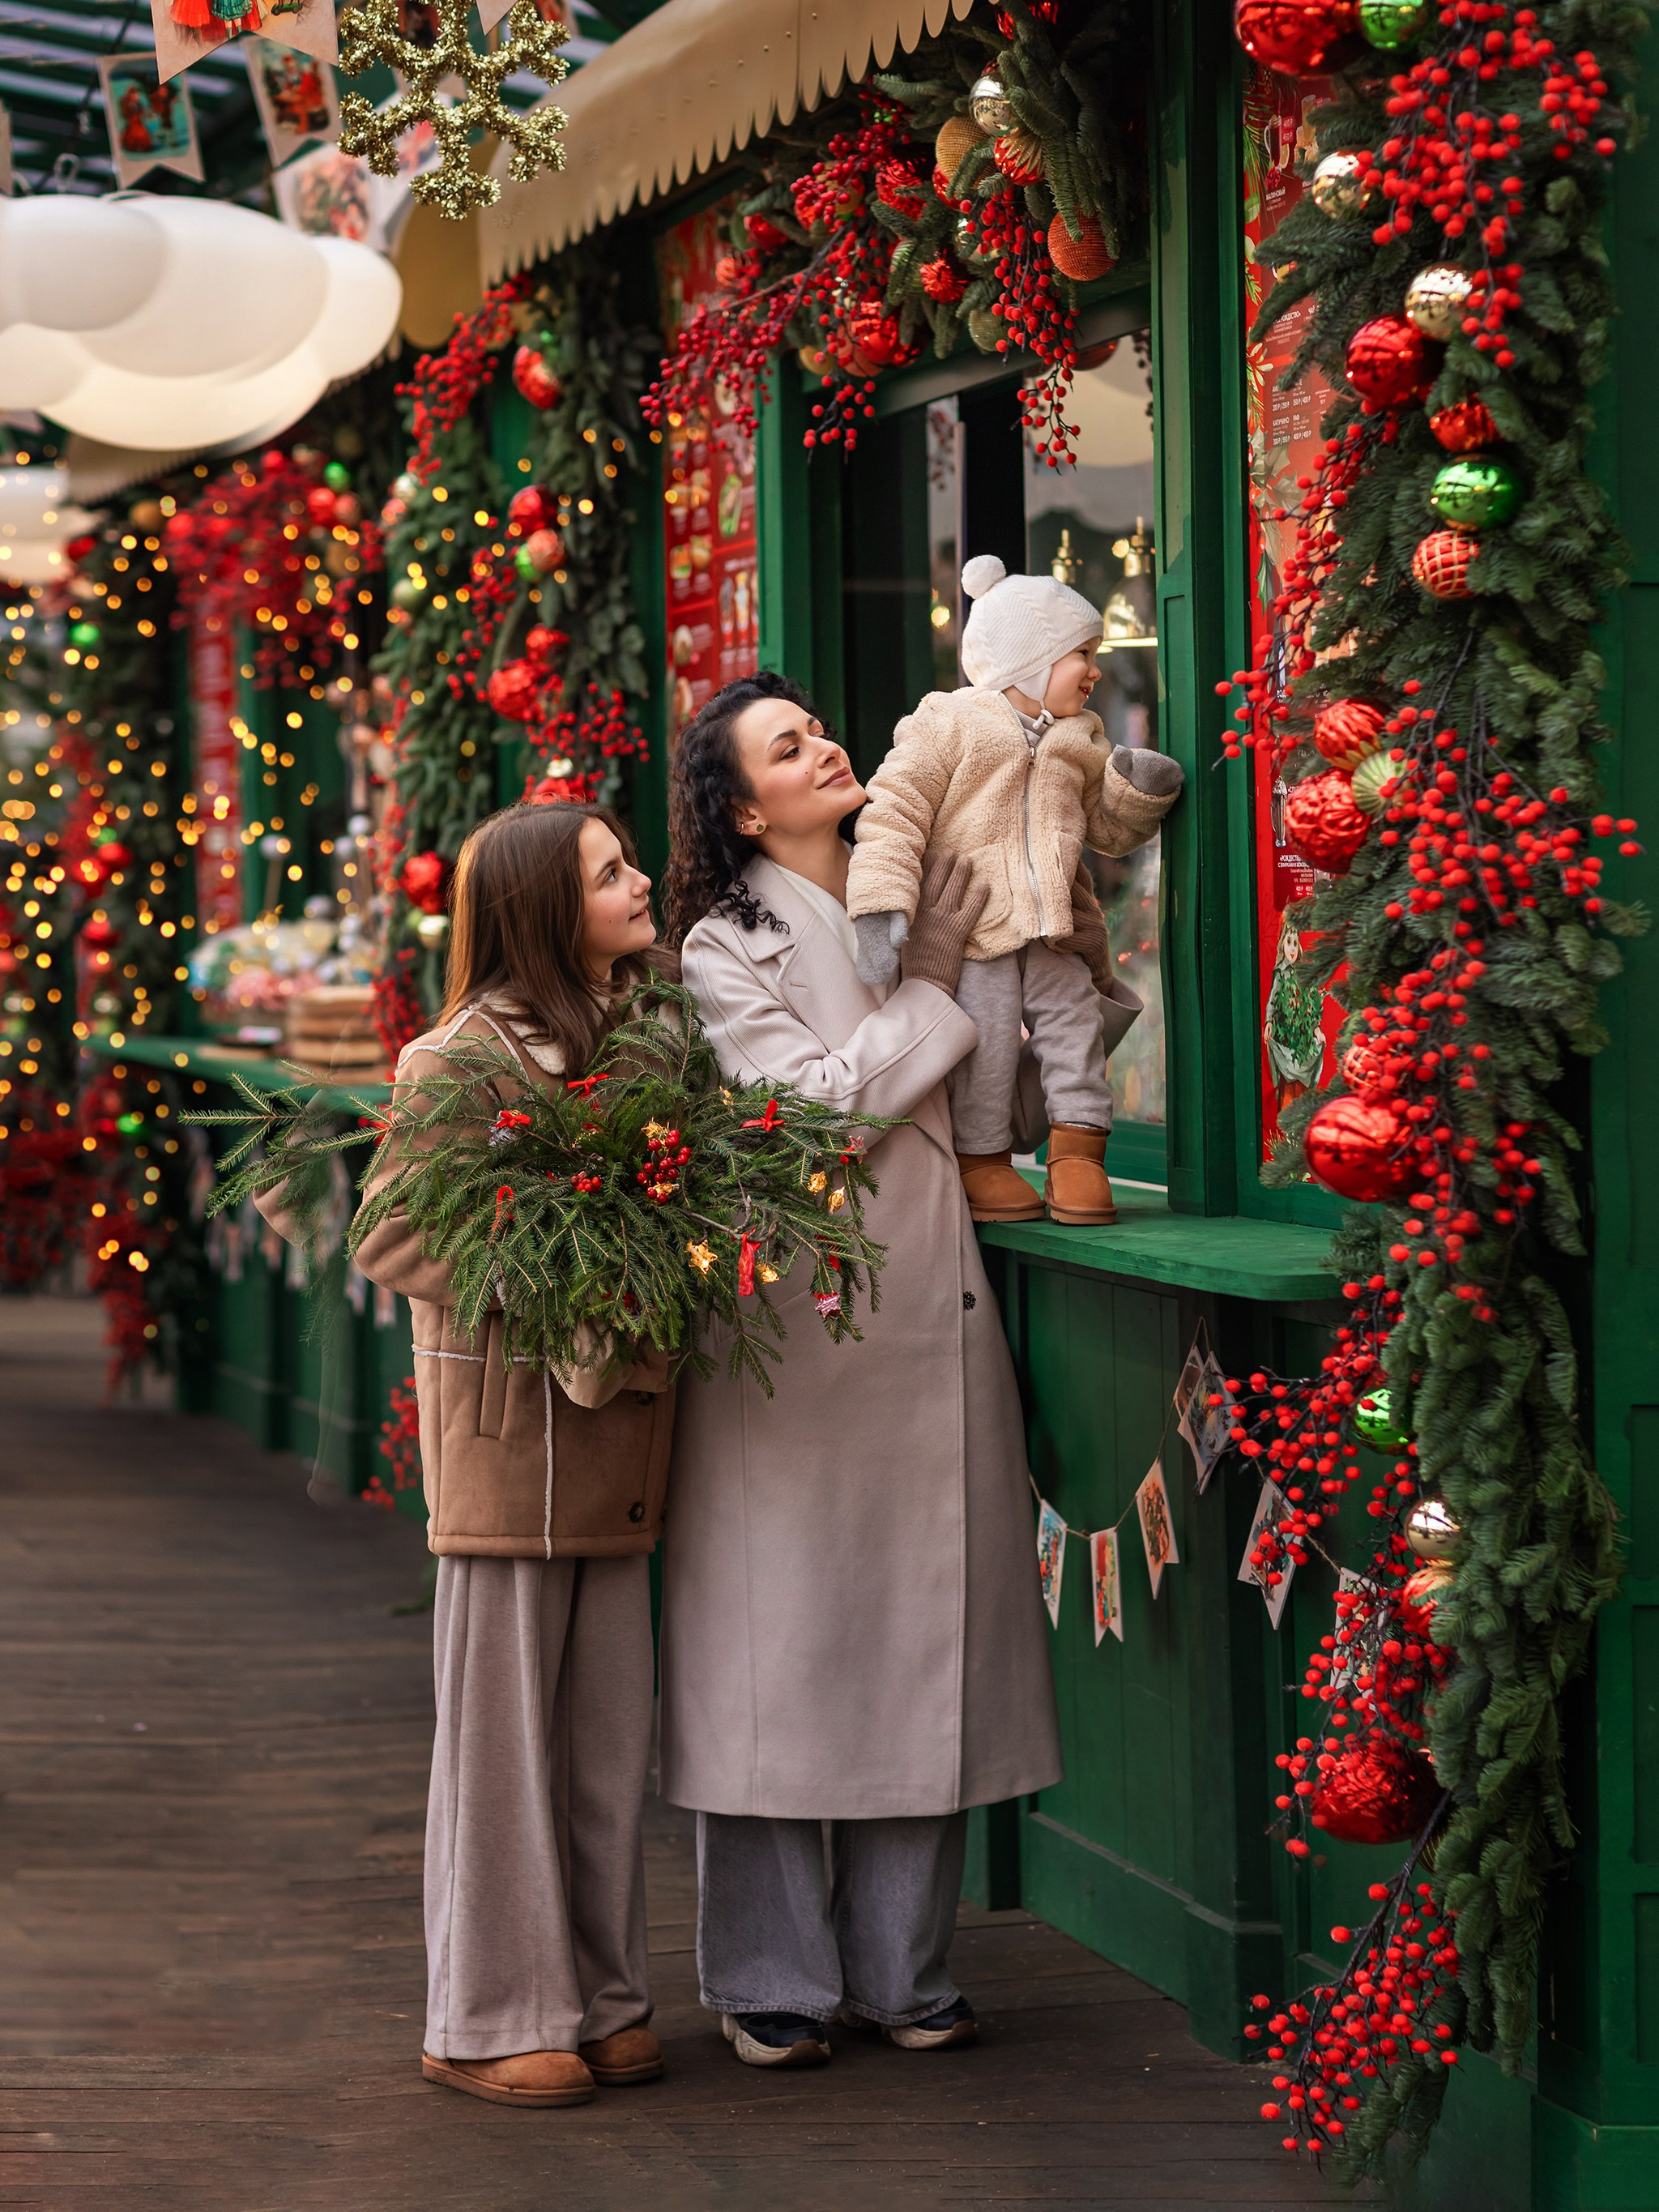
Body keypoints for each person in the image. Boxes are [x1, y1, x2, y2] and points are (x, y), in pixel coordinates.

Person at [658, 671, 1065, 2071]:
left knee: (919, 1636)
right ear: (737, 805)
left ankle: (904, 1972)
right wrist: (937, 983)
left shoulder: (907, 893)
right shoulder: (724, 945)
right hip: (792, 1339)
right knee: (772, 1650)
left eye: (818, 727)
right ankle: (770, 1974)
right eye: (787, 745)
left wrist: (967, 977)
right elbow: (807, 1118)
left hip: (932, 1317)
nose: (823, 746)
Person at [258, 801, 675, 2109]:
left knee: (606, 1744)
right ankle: (489, 2014)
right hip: (508, 1450)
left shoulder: (648, 1045)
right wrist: (565, 1275)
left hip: (622, 1437)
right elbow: (391, 1235)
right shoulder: (461, 1057)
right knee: (502, 1749)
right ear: (546, 908)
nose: (641, 878)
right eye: (611, 871)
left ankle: (601, 1995)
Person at [845, 554, 1183, 1228]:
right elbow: (894, 809)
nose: (1095, 670)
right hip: (973, 928)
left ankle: (1079, 1153)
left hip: (1057, 923)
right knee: (986, 1049)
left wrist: (1139, 795)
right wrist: (883, 903)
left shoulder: (1082, 738)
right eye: (1081, 654)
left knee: (1076, 1032)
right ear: (1032, 658)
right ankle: (983, 1163)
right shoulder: (949, 722)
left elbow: (1108, 832)